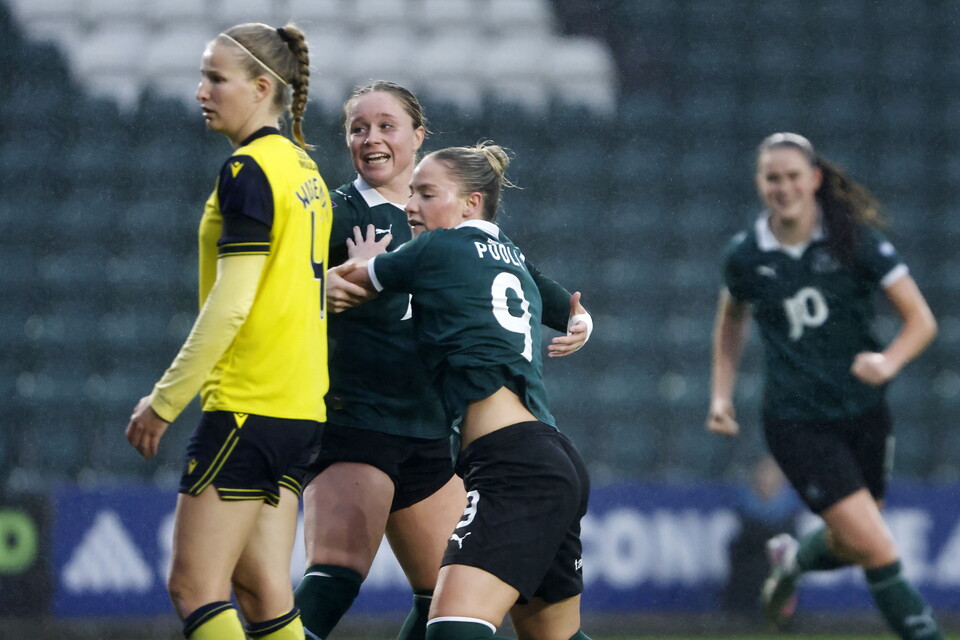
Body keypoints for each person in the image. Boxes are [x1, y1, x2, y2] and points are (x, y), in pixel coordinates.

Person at [293, 82, 592, 640]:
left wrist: (581, 319)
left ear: (418, 135)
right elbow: (284, 291)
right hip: (361, 423)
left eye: (387, 125)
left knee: (442, 595)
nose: (371, 137)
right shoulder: (334, 212)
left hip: (437, 439)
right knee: (339, 574)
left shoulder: (445, 229)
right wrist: (330, 285)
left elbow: (546, 290)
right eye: (359, 128)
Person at [124, 22, 332, 640]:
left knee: (194, 586)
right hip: (300, 409)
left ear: (262, 86)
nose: (200, 92)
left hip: (249, 404)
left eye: (216, 78)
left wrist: (164, 401)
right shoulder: (304, 170)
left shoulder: (248, 170)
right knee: (262, 586)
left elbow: (232, 303)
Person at [706, 132, 942, 640]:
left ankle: (790, 565)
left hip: (864, 411)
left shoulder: (854, 239)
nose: (783, 186)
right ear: (759, 184)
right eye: (773, 178)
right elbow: (731, 322)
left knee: (856, 540)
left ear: (814, 179)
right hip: (796, 421)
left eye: (793, 176)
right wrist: (721, 395)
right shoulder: (746, 256)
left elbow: (920, 319)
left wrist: (889, 360)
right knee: (878, 546)